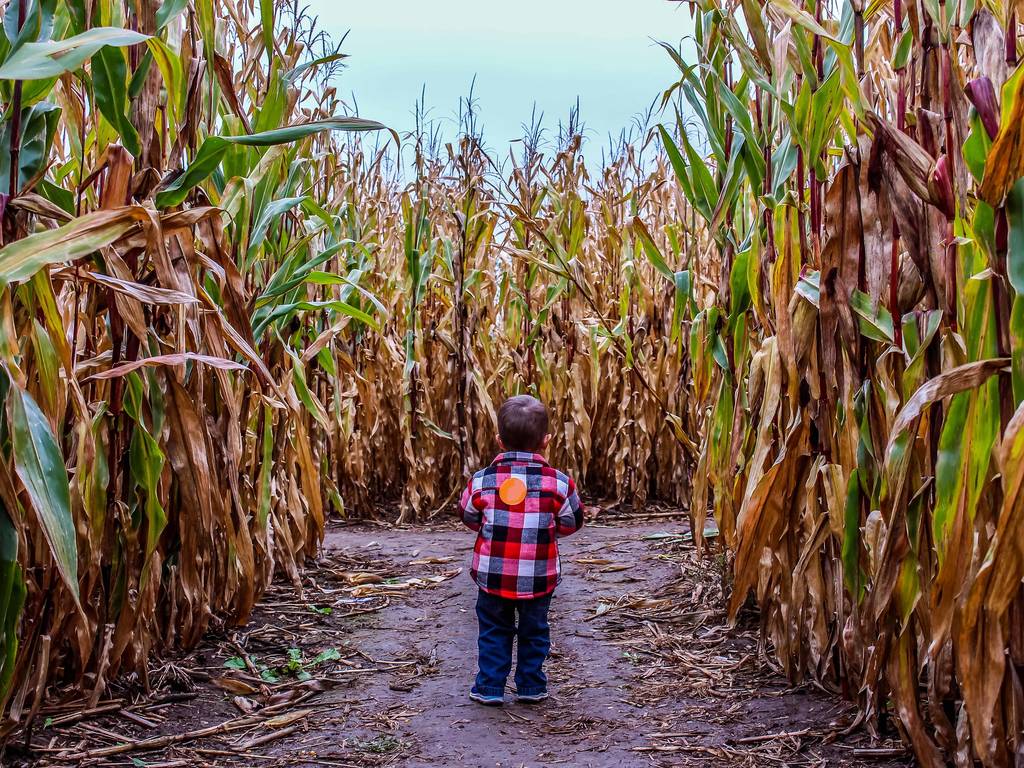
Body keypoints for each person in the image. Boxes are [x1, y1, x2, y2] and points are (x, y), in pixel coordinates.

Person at [458, 395, 585, 706]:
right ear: (546, 441)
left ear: (499, 441)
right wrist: (549, 531)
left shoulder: (481, 481)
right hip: (539, 578)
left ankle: (489, 688)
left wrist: (492, 529)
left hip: (493, 577)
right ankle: (531, 687)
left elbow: (467, 515)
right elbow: (573, 521)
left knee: (493, 631)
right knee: (535, 631)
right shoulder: (559, 483)